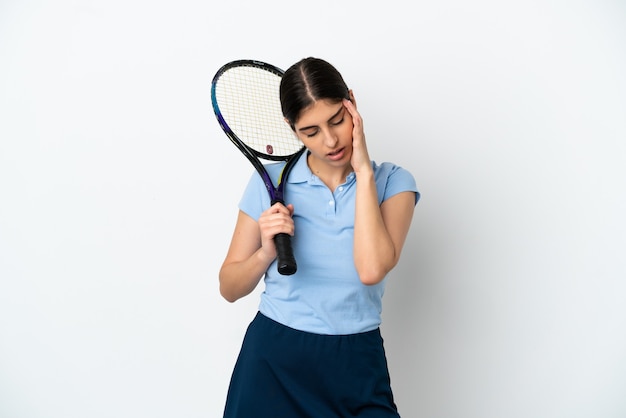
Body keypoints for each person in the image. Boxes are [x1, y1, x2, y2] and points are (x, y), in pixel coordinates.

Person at [219, 57, 420, 417]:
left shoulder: (393, 183)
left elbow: (371, 270)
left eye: (337, 121)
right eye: (310, 132)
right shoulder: (272, 182)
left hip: (356, 361)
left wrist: (362, 171)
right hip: (274, 361)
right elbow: (229, 287)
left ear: (352, 104)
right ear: (291, 128)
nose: (330, 140)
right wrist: (265, 253)